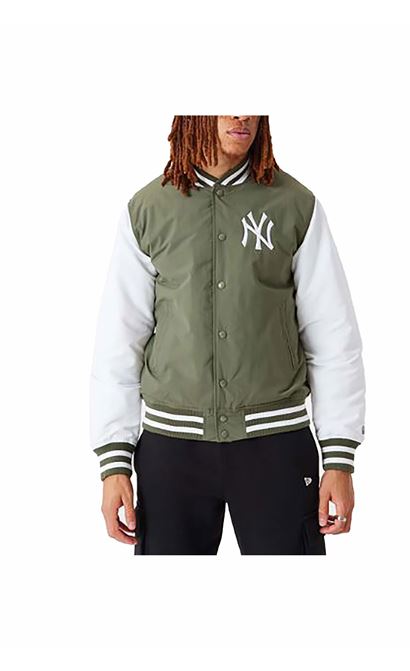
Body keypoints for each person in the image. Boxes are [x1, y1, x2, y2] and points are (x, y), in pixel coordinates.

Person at [89, 115, 366, 555]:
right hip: (171, 450)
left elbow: (333, 337)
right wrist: (114, 462)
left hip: (276, 444)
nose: (242, 114)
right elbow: (119, 340)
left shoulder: (295, 205)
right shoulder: (148, 210)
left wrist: (339, 456)